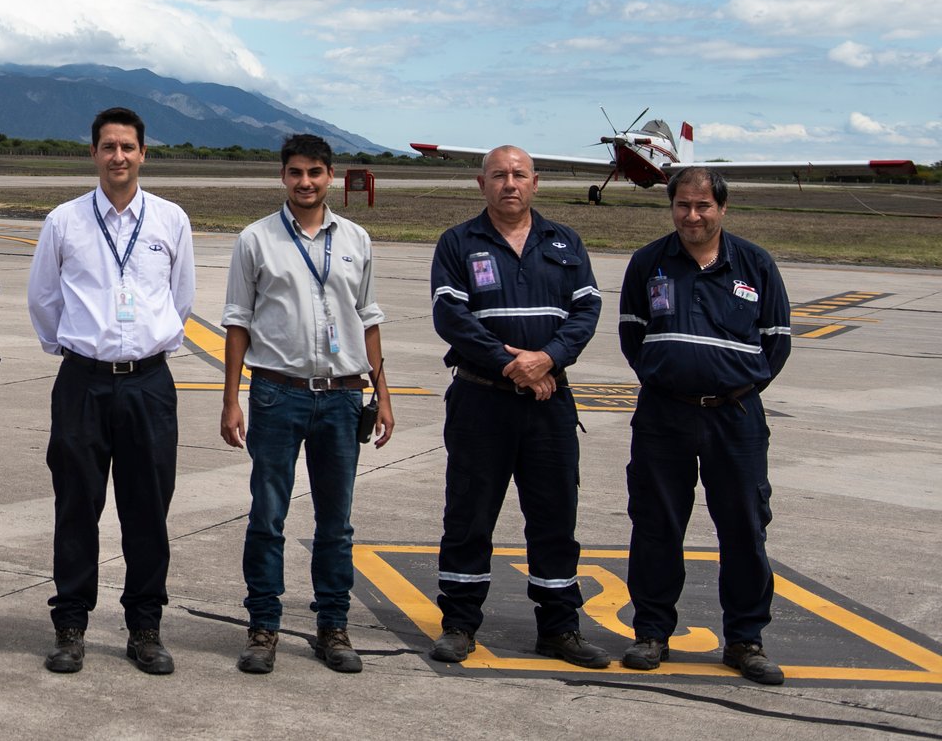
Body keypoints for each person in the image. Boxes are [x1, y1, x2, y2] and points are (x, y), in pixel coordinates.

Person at [26, 107, 197, 675]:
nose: (118, 157)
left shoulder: (170, 220)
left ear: (143, 153)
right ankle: (71, 625)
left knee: (147, 511)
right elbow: (44, 301)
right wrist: (80, 352)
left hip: (149, 383)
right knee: (77, 507)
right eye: (108, 147)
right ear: (94, 153)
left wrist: (141, 346)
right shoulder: (65, 221)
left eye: (128, 147)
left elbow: (182, 300)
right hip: (83, 383)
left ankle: (145, 628)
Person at [427, 146, 609, 668]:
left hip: (549, 403)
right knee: (469, 512)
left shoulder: (565, 241)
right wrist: (517, 366)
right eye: (499, 175)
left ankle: (558, 628)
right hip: (481, 398)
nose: (510, 183)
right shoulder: (459, 242)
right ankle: (460, 624)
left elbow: (587, 309)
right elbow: (451, 316)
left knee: (555, 514)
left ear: (536, 182)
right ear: (481, 183)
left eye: (519, 175)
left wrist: (548, 359)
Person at [220, 133, 393, 675]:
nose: (305, 182)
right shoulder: (255, 239)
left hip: (342, 397)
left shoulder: (357, 239)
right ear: (282, 177)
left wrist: (382, 394)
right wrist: (231, 399)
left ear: (331, 176)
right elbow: (237, 321)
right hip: (277, 393)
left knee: (335, 522)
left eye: (315, 172)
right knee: (268, 516)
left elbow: (368, 318)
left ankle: (332, 626)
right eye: (295, 172)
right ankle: (264, 626)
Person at [617, 168, 791, 686]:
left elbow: (776, 340)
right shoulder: (648, 262)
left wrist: (733, 385)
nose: (693, 216)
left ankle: (745, 640)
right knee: (656, 524)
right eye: (683, 206)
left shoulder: (755, 264)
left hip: (735, 418)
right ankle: (651, 633)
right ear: (671, 207)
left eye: (703, 207)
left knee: (743, 528)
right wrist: (671, 377)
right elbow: (632, 336)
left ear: (722, 208)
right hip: (663, 415)